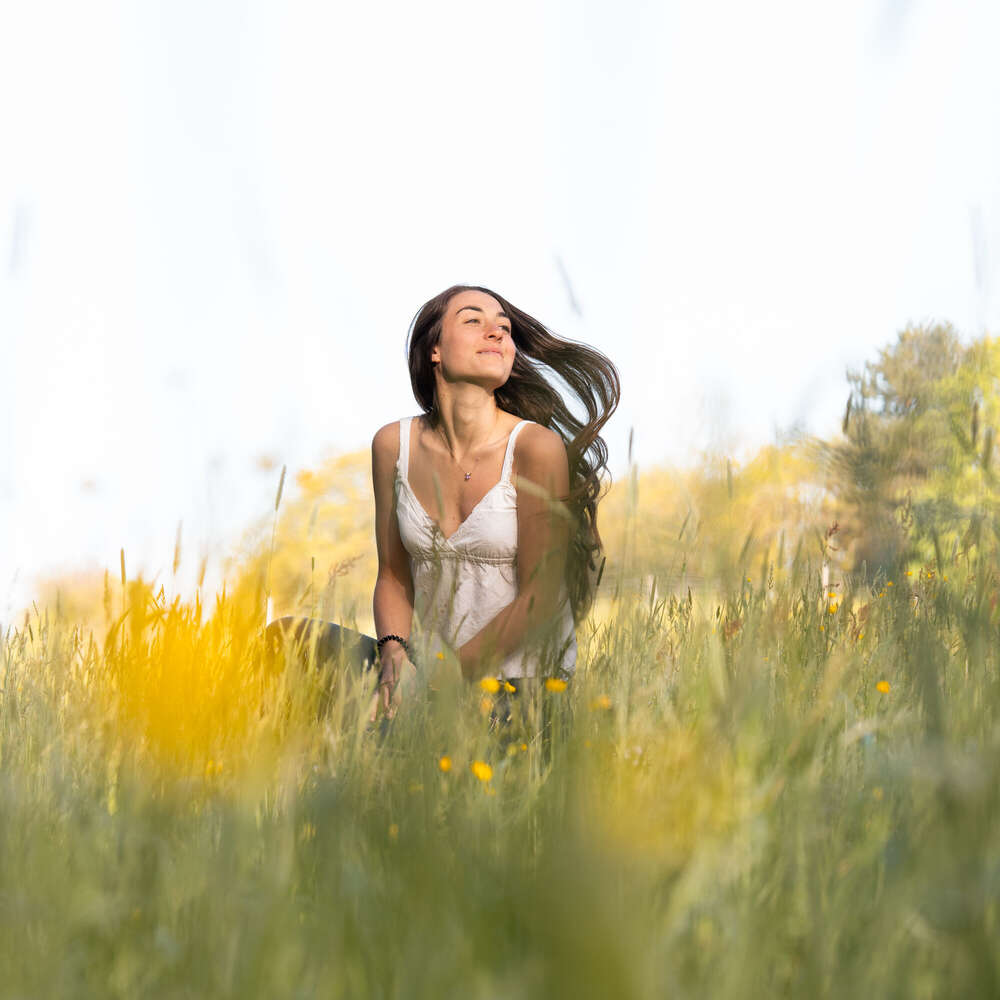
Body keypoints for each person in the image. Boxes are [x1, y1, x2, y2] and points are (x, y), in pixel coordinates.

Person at [369, 284, 619, 721]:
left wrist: (443, 677)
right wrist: (393, 652)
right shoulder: (393, 444)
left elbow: (540, 595)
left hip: (522, 687)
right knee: (287, 637)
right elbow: (392, 574)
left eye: (504, 328)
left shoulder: (535, 448)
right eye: (473, 320)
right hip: (424, 677)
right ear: (435, 350)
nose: (498, 332)